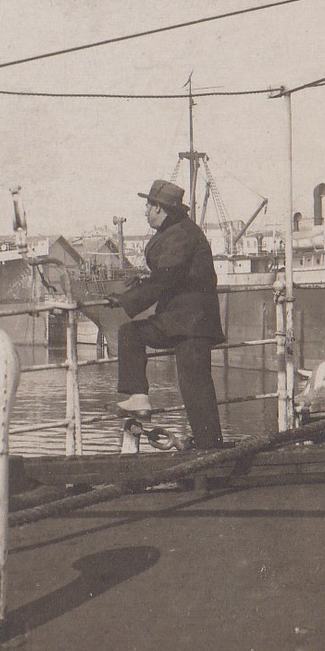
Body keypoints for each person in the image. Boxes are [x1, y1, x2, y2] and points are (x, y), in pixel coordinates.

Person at [110, 179, 225, 449]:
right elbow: (169, 275)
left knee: (195, 386)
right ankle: (139, 397)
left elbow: (166, 279)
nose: (146, 210)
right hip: (180, 319)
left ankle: (211, 450)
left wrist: (126, 299)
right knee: (131, 334)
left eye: (149, 205)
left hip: (191, 323)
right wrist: (140, 285)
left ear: (161, 209)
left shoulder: (180, 234)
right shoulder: (176, 231)